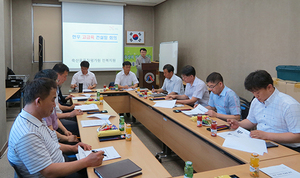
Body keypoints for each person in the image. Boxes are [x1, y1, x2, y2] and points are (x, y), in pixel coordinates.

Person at [7, 78, 104, 178]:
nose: (54, 105)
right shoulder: (28, 134)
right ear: (38, 101)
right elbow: (49, 172)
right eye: (53, 100)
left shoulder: (36, 118)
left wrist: (73, 148)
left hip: (60, 161)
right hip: (57, 173)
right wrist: (85, 162)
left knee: (102, 164)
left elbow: (50, 144)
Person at [227, 70, 300, 151]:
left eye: (258, 92)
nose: (255, 96)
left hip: (287, 148)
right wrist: (239, 124)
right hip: (263, 143)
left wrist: (266, 135)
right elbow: (251, 121)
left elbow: (297, 136)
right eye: (253, 93)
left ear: (269, 87)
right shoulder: (256, 102)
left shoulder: (289, 105)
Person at [34, 69, 78, 143]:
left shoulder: (48, 99)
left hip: (56, 134)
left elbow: (55, 118)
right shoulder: (43, 106)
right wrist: (67, 139)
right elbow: (51, 131)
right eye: (56, 81)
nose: (54, 104)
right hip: (55, 138)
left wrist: (65, 131)